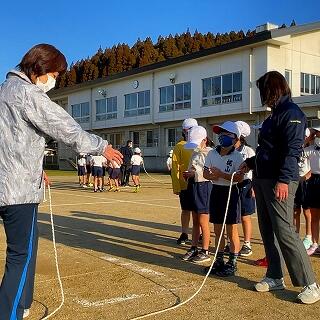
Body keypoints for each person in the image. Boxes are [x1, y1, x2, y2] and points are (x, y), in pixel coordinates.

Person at [0, 43, 123, 320]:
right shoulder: (27, 94)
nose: (54, 80)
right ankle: (9, 313)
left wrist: (34, 167)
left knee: (24, 252)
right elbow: (65, 128)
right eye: (54, 74)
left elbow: (12, 142)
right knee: (20, 255)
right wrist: (101, 146)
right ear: (40, 69)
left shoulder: (3, 91)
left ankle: (21, 304)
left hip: (12, 181)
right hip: (17, 192)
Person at [241, 71, 319, 304]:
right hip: (263, 178)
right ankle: (275, 275)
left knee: (285, 230)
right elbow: (268, 150)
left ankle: (310, 283)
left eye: (263, 91)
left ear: (272, 89)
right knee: (267, 228)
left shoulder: (292, 114)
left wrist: (285, 179)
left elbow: (292, 150)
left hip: (280, 180)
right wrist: (250, 163)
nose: (262, 96)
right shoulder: (273, 116)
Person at [203, 121, 244, 277]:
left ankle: (232, 262)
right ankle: (219, 260)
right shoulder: (212, 153)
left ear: (234, 138)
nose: (222, 137)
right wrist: (211, 175)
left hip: (231, 193)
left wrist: (221, 174)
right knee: (218, 228)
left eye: (226, 134)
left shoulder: (237, 156)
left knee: (231, 229)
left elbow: (239, 178)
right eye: (220, 134)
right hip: (216, 191)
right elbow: (206, 173)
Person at [181, 126, 213, 263]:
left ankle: (205, 249)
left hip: (205, 187)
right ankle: (194, 247)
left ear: (205, 140)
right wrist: (187, 174)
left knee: (203, 220)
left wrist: (196, 173)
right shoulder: (194, 152)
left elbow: (211, 174)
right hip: (193, 186)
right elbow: (191, 167)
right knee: (195, 219)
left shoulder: (211, 153)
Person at [171, 118, 198, 244]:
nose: (190, 132)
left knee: (199, 211)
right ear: (184, 131)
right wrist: (176, 186)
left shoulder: (201, 145)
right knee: (186, 209)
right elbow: (175, 167)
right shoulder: (179, 146)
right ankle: (184, 233)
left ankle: (200, 233)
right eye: (188, 130)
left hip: (200, 184)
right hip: (184, 184)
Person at [234, 121, 256, 257]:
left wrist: (253, 186)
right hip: (231, 185)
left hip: (246, 185)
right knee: (232, 216)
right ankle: (233, 241)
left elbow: (255, 170)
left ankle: (247, 243)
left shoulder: (248, 151)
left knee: (245, 216)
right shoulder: (226, 151)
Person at [294, 128, 312, 250]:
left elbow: (314, 167)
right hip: (295, 181)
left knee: (307, 211)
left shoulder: (310, 150)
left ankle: (308, 236)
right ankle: (295, 236)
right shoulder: (295, 149)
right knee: (295, 211)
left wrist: (306, 176)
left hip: (306, 182)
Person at [304, 126, 320, 256]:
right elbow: (299, 151)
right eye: (317, 133)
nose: (318, 136)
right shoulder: (311, 149)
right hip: (314, 181)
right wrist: (309, 138)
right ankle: (315, 244)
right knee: (314, 215)